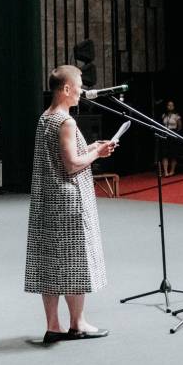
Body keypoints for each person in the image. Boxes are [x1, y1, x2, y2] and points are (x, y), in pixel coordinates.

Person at [26, 65, 114, 343]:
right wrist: (97, 153)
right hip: (69, 201)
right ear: (66, 89)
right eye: (78, 85)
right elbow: (72, 165)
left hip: (48, 199)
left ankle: (53, 325)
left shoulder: (45, 117)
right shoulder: (66, 121)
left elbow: (61, 156)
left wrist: (92, 148)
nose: (81, 91)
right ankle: (78, 323)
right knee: (76, 261)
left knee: (50, 262)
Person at [159, 101, 183, 177]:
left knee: (173, 153)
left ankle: (172, 171)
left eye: (171, 105)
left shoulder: (176, 116)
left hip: (173, 133)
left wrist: (175, 133)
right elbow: (161, 124)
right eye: (168, 105)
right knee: (164, 153)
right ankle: (165, 172)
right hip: (165, 134)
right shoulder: (164, 115)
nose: (170, 106)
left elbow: (180, 126)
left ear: (174, 106)